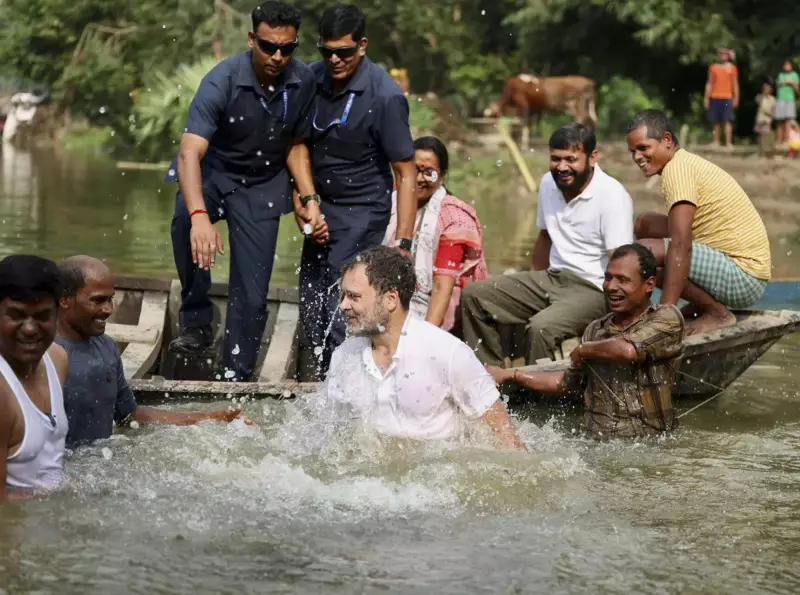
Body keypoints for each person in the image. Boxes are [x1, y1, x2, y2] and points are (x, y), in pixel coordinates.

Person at [167, 1, 321, 381]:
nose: (278, 56)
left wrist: (308, 196)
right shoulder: (222, 80)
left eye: (287, 48)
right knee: (185, 219)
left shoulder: (303, 82)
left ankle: (237, 373)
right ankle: (198, 320)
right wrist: (202, 218)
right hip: (214, 173)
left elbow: (297, 144)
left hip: (262, 184)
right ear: (252, 39)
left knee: (252, 293)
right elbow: (190, 152)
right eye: (269, 47)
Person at [300, 3, 417, 379]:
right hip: (318, 206)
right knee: (311, 302)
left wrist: (404, 242)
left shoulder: (385, 95)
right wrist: (306, 203)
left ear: (362, 46)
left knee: (344, 302)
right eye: (327, 51)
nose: (334, 59)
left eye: (344, 52)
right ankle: (322, 381)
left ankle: (351, 386)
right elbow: (296, 146)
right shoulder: (309, 80)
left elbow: (406, 172)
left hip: (362, 210)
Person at [460, 123, 634, 366]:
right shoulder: (548, 184)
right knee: (474, 296)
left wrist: (624, 316)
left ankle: (539, 398)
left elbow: (622, 260)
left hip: (593, 288)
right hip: (552, 278)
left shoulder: (613, 196)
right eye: (555, 159)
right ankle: (491, 380)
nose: (562, 167)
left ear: (593, 158)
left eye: (571, 159)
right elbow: (545, 236)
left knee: (541, 328)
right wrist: (530, 285)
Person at [325, 246, 525, 450]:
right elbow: (333, 441)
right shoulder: (345, 356)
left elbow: (510, 444)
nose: (343, 305)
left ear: (390, 299)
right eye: (343, 296)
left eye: (353, 297)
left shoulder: (448, 354)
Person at [488, 244, 684, 440]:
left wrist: (583, 350)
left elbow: (628, 351)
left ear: (649, 285)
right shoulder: (595, 330)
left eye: (622, 280)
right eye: (608, 278)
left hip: (649, 443)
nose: (611, 286)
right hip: (595, 442)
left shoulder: (666, 318)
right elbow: (568, 383)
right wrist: (512, 374)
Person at [55, 256, 247, 448]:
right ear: (64, 300)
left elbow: (129, 414)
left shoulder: (106, 347)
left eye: (110, 299)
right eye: (97, 300)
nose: (108, 309)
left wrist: (211, 418)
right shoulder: (44, 357)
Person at [628, 109, 771, 335]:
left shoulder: (678, 170)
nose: (637, 157)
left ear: (666, 140)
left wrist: (664, 317)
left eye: (643, 148)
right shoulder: (680, 164)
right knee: (645, 224)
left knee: (640, 254)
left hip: (745, 278)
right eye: (633, 151)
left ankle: (717, 314)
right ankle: (700, 304)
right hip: (732, 266)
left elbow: (680, 246)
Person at [382, 136, 488, 332]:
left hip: (440, 307)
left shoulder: (454, 218)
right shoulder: (388, 201)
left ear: (442, 176)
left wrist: (427, 339)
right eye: (415, 170)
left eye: (429, 173)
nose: (420, 179)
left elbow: (441, 287)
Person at [0, 255, 69, 499]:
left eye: (42, 316)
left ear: (58, 314)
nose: (30, 328)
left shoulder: (58, 359)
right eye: (17, 315)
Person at [704, 48, 739, 149]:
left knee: (728, 120)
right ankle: (716, 141)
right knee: (716, 121)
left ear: (728, 56)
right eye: (721, 54)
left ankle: (728, 143)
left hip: (727, 97)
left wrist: (736, 97)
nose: (723, 56)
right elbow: (709, 83)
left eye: (725, 54)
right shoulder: (713, 67)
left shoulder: (732, 68)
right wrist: (706, 98)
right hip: (715, 96)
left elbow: (735, 84)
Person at [774, 59, 799, 146]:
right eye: (785, 65)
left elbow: (797, 90)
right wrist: (783, 82)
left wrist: (793, 83)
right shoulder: (780, 75)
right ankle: (779, 140)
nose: (787, 66)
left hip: (790, 99)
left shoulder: (795, 75)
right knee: (780, 121)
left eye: (788, 65)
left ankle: (787, 140)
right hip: (781, 99)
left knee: (788, 120)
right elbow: (778, 84)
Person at [754, 81, 776, 157]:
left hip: (767, 120)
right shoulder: (760, 97)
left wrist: (771, 117)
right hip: (760, 119)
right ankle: (760, 151)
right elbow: (758, 102)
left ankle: (765, 152)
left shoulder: (773, 99)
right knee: (760, 136)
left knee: (766, 136)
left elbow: (773, 110)